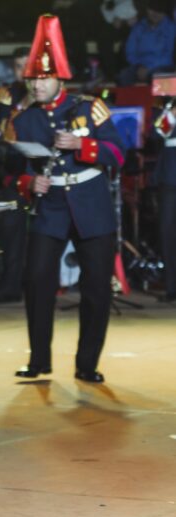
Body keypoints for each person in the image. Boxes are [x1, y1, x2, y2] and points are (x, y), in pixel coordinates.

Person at [5, 15, 125, 383]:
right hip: (50, 207)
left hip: (92, 203)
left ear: (59, 77)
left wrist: (84, 145)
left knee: (95, 288)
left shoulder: (88, 107)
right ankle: (39, 359)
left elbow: (120, 154)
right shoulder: (22, 119)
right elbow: (10, 170)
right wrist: (29, 182)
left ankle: (87, 364)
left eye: (43, 78)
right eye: (32, 79)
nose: (37, 85)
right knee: (38, 280)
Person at [0, 46, 31, 305]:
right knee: (10, 232)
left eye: (27, 65)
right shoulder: (7, 95)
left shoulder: (45, 93)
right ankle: (10, 287)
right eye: (18, 66)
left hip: (43, 172)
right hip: (13, 173)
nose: (24, 72)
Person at [120, 0, 176, 85]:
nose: (155, 14)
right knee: (123, 77)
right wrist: (139, 66)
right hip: (139, 65)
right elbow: (130, 51)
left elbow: (168, 56)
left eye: (159, 11)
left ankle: (165, 97)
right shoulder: (138, 27)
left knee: (163, 81)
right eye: (152, 10)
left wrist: (149, 67)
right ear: (147, 10)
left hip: (162, 66)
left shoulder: (171, 27)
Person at [153, 99, 176, 303]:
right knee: (168, 231)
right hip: (170, 175)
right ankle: (172, 286)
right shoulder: (168, 110)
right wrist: (171, 113)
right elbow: (157, 133)